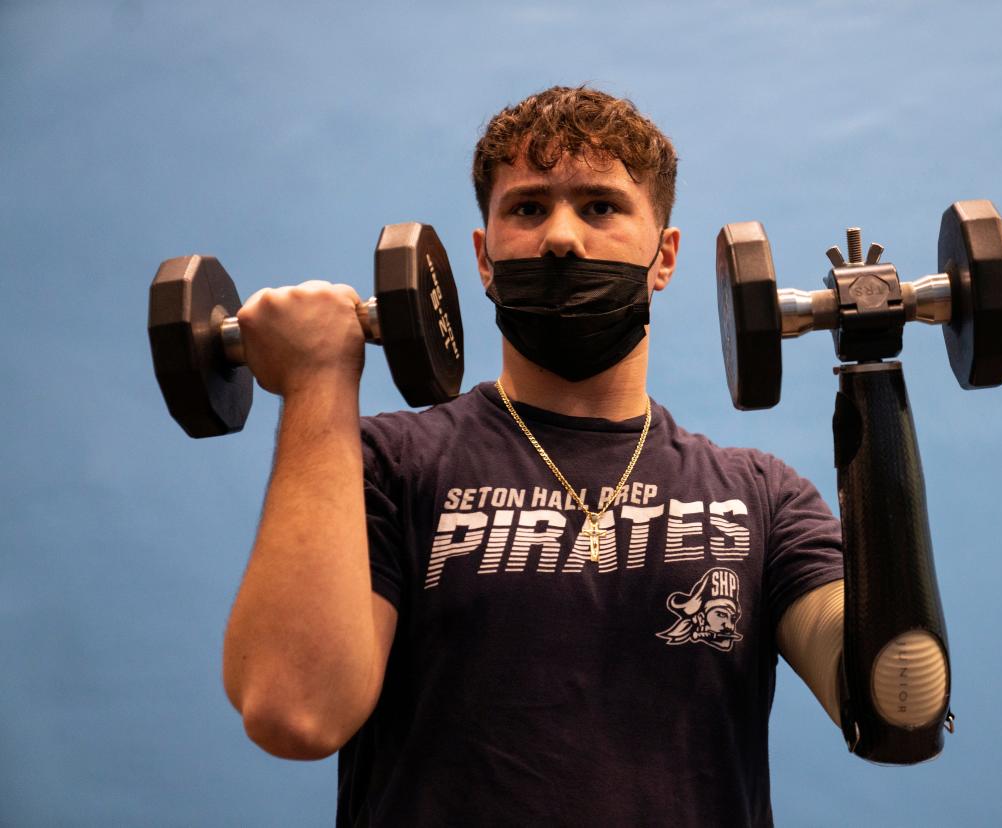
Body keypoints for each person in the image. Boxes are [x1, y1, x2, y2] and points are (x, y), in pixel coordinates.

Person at [222, 86, 851, 826]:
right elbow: (295, 710)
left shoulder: (762, 498)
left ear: (665, 257)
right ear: (483, 259)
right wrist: (317, 382)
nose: (561, 238)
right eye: (527, 208)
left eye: (600, 207)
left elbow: (896, 700)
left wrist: (874, 378)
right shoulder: (386, 466)